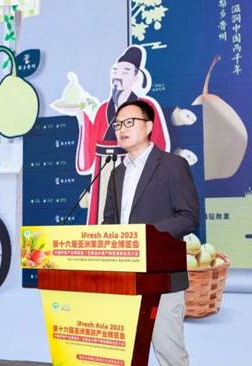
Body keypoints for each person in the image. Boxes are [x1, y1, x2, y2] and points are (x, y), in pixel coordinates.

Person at [103, 100, 199, 366]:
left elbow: (188, 217)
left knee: (168, 351)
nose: (122, 129)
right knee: (126, 352)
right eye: (118, 125)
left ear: (148, 127)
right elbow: (110, 221)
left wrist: (143, 237)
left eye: (129, 122)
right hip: (125, 276)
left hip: (162, 277)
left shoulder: (172, 165)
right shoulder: (116, 173)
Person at [75, 45, 170, 225]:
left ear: (136, 77)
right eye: (115, 71)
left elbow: (159, 145)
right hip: (105, 168)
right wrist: (82, 117)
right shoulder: (103, 109)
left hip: (136, 167)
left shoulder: (146, 106)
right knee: (104, 220)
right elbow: (92, 145)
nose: (118, 75)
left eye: (125, 71)